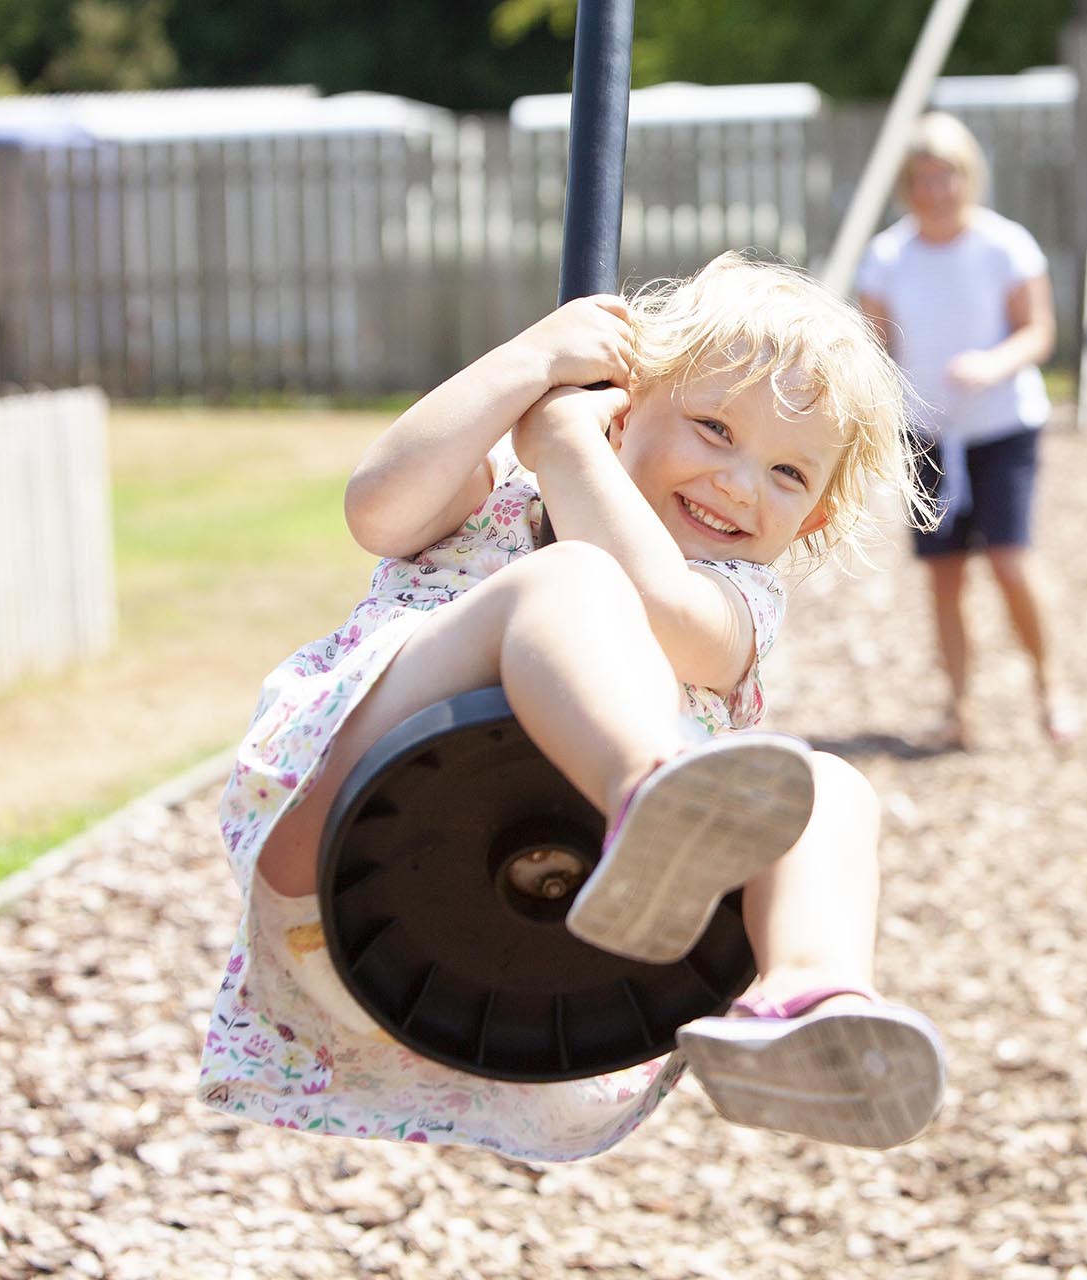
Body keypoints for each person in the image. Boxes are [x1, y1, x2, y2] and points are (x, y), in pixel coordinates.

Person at [198, 253, 946, 1161]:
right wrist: (532, 365)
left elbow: (662, 607)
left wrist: (564, 447)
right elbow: (379, 509)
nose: (741, 482)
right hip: (335, 851)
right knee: (569, 581)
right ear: (624, 406)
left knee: (831, 788)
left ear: (815, 519)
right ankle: (651, 798)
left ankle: (805, 998)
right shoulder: (496, 505)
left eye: (789, 474)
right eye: (714, 427)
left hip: (526, 962)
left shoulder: (737, 601)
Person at [855, 111, 1076, 751]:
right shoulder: (888, 257)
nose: (935, 190)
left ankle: (1050, 686)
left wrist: (992, 363)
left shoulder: (1005, 245)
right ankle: (958, 708)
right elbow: (876, 349)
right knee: (945, 574)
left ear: (967, 177)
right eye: (922, 178)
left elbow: (1038, 332)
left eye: (946, 175)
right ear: (907, 185)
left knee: (1009, 561)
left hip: (1002, 426)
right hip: (925, 432)